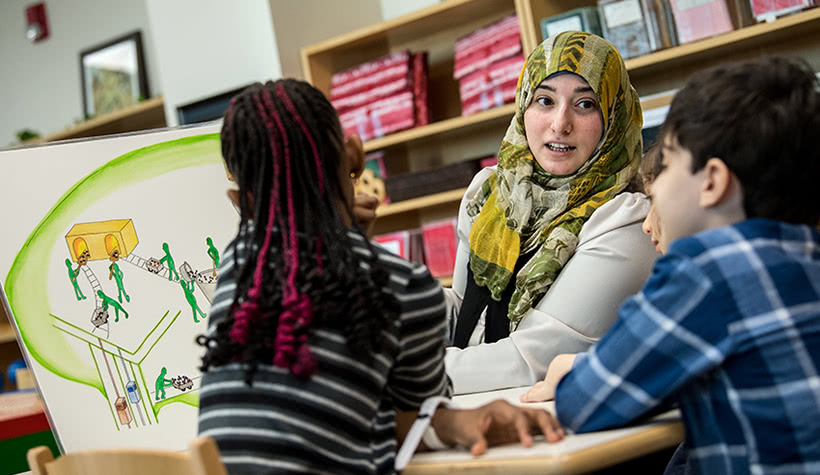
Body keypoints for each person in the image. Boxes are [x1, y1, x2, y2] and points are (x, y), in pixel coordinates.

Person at [196, 79, 562, 475]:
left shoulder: (237, 268)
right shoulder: (404, 286)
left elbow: (342, 412)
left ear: (239, 202)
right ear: (354, 157)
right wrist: (344, 229)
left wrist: (341, 229)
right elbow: (421, 417)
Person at [553, 57, 820, 474]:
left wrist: (567, 368)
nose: (655, 185)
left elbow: (582, 402)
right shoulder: (807, 254)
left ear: (711, 181)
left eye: (668, 162)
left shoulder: (705, 272)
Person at [444, 31, 658, 394]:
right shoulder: (490, 192)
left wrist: (400, 374)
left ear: (614, 116)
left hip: (566, 435)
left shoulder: (626, 219)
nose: (560, 123)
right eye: (544, 101)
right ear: (523, 106)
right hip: (475, 415)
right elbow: (466, 310)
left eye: (585, 104)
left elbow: (531, 361)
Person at [520, 142, 664, 403]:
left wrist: (572, 368)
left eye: (655, 200)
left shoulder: (625, 215)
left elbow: (657, 360)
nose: (646, 224)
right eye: (543, 101)